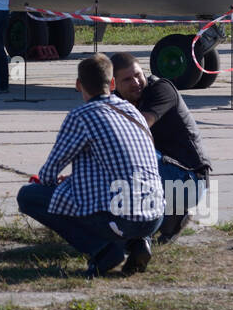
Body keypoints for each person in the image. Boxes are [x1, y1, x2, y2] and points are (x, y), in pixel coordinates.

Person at [17, 54, 165, 277]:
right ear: (112, 83)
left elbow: (49, 172)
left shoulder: (81, 115)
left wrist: (54, 184)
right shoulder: (133, 112)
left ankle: (103, 249)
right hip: (155, 214)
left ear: (78, 85)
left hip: (120, 216)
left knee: (29, 197)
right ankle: (137, 242)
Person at [110, 52, 212, 244]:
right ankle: (154, 223)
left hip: (189, 177)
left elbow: (138, 128)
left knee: (127, 158)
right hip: (163, 173)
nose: (136, 82)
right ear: (114, 83)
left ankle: (173, 212)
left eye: (138, 75)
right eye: (127, 79)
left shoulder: (161, 89)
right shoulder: (116, 100)